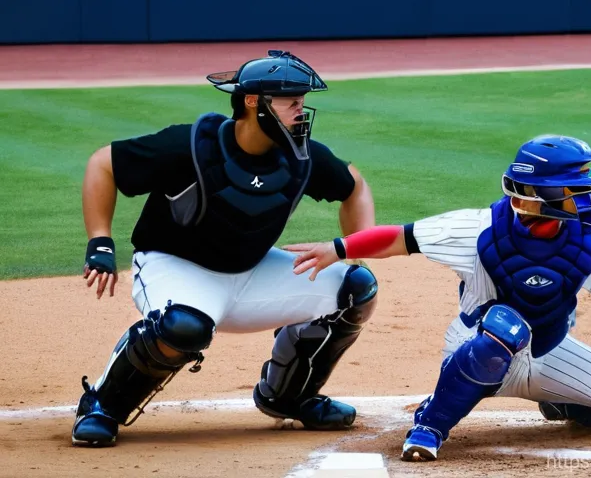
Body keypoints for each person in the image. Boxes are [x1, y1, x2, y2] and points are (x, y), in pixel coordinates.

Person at [286, 135, 591, 462]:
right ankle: (430, 426)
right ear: (539, 192)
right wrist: (337, 248)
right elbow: (398, 238)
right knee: (503, 327)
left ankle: (564, 403)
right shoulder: (476, 229)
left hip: (546, 353)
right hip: (477, 345)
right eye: (575, 184)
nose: (587, 192)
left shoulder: (585, 240)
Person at [73, 50, 379, 447]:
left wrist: (349, 248)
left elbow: (354, 186)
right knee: (183, 328)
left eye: (302, 103)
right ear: (254, 102)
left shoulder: (300, 156)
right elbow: (104, 164)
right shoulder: (192, 147)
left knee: (356, 287)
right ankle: (102, 404)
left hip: (251, 274)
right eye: (292, 103)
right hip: (176, 267)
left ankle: (288, 396)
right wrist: (99, 240)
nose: (301, 112)